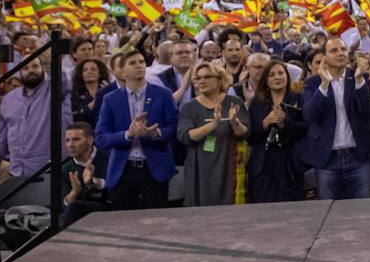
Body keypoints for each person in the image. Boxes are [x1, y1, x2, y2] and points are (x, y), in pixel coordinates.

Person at [95, 52, 179, 211]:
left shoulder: (163, 94)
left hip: (154, 169)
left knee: (158, 219)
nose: (139, 65)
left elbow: (175, 127)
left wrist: (156, 134)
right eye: (132, 63)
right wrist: (128, 135)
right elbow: (100, 138)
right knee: (124, 221)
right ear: (121, 71)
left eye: (141, 62)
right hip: (123, 170)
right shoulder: (110, 99)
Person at [301, 37, 370, 200]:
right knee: (328, 212)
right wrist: (324, 84)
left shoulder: (356, 77)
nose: (340, 53)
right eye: (334, 50)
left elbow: (367, 109)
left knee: (363, 211)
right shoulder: (312, 83)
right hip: (327, 159)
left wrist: (359, 80)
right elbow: (309, 115)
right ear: (325, 57)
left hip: (358, 157)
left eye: (343, 49)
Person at [177, 61, 249, 206]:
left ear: (220, 79)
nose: (202, 81)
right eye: (198, 78)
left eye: (207, 77)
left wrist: (235, 122)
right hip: (200, 167)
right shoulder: (189, 107)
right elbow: (185, 136)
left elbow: (245, 133)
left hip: (229, 163)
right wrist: (212, 125)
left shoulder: (234, 102)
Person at [0, 56, 72, 179]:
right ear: (20, 72)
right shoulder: (9, 99)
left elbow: (63, 78)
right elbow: (3, 133)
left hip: (48, 169)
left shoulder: (56, 90)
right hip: (16, 169)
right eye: (25, 68)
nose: (30, 70)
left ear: (43, 68)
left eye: (35, 66)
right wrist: (0, 158)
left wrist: (52, 58)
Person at [248, 59, 306, 203]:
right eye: (272, 75)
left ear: (287, 76)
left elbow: (304, 129)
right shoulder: (257, 103)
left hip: (289, 163)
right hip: (263, 164)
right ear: (266, 80)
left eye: (281, 73)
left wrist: (283, 123)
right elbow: (250, 135)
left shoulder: (298, 99)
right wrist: (265, 123)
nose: (277, 77)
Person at [61, 121, 109, 227]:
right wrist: (75, 191)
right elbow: (64, 204)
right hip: (78, 212)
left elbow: (116, 189)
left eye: (76, 139)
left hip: (107, 207)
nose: (70, 145)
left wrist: (94, 181)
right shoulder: (65, 168)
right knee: (73, 208)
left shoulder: (108, 158)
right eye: (67, 140)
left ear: (90, 140)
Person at [71, 56, 111, 130]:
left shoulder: (109, 92)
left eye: (93, 69)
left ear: (100, 73)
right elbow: (73, 117)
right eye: (85, 70)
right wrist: (91, 105)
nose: (89, 72)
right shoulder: (74, 93)